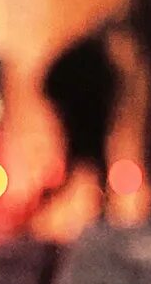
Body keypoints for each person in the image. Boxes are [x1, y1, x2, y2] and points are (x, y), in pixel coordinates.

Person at [37, 29, 120, 222]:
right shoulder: (90, 63)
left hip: (87, 127)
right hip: (84, 126)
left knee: (83, 174)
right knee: (80, 173)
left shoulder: (91, 62)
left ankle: (102, 218)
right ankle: (102, 218)